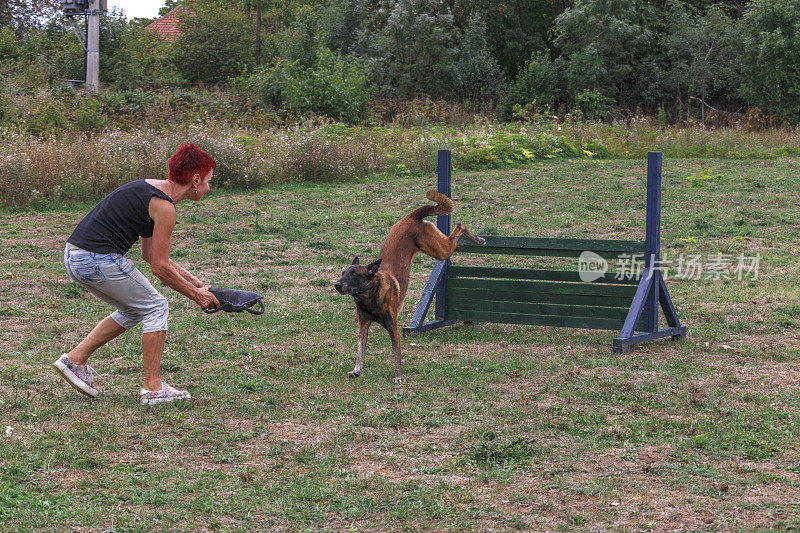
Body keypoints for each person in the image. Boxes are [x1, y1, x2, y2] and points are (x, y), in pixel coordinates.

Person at [53, 143, 220, 405]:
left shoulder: (150, 190)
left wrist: (195, 282)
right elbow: (159, 268)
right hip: (97, 259)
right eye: (209, 181)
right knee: (156, 307)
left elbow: (150, 255)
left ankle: (75, 359)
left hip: (76, 256)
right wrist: (195, 295)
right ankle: (153, 389)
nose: (209, 187)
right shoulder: (165, 208)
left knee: (135, 310)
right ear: (196, 180)